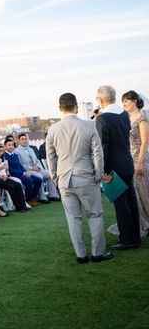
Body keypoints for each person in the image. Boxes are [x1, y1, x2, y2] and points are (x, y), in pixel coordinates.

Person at [46, 92, 113, 263]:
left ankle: (81, 255)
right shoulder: (88, 126)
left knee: (73, 219)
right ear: (76, 106)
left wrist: (55, 178)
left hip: (64, 180)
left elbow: (50, 158)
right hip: (86, 177)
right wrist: (98, 174)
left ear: (60, 108)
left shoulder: (52, 130)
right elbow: (98, 153)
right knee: (95, 215)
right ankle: (98, 253)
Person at [95, 85, 141, 250]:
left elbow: (102, 148)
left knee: (121, 204)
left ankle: (127, 240)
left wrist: (102, 171)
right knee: (130, 201)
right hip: (127, 163)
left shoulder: (102, 118)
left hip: (112, 167)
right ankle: (134, 237)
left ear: (100, 100)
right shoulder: (123, 114)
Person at [122, 90, 149, 237]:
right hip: (128, 159)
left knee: (143, 193)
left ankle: (146, 222)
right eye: (123, 101)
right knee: (135, 193)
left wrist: (139, 162)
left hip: (141, 160)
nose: (124, 104)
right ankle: (138, 222)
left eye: (126, 101)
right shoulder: (126, 118)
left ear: (135, 101)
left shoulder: (142, 119)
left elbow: (145, 142)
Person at [16, 133, 60, 201]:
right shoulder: (16, 151)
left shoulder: (31, 149)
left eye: (26, 139)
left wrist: (38, 167)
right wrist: (32, 168)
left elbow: (37, 160)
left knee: (51, 174)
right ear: (18, 141)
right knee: (39, 176)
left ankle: (52, 195)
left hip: (36, 169)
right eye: (22, 139)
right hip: (28, 171)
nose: (25, 140)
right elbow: (20, 164)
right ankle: (41, 197)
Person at [4, 139, 44, 206]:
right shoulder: (5, 156)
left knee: (38, 180)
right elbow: (10, 169)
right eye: (9, 145)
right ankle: (29, 200)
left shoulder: (15, 155)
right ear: (5, 146)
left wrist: (26, 172)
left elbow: (20, 165)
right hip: (14, 175)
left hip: (21, 173)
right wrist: (23, 173)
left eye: (12, 145)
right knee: (29, 180)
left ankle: (32, 198)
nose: (11, 146)